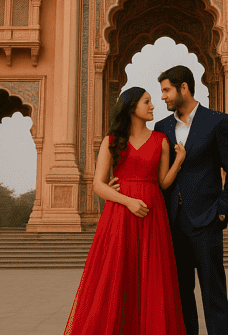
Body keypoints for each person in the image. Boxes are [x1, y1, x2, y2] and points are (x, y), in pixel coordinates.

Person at [64, 86, 188, 335]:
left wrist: (179, 161)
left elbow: (163, 182)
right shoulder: (112, 140)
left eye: (152, 101)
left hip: (152, 214)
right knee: (117, 275)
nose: (152, 106)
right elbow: (98, 184)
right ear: (132, 107)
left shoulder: (160, 141)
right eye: (147, 102)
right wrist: (127, 201)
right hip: (120, 214)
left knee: (152, 277)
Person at [154, 65, 228, 335]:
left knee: (213, 293)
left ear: (184, 88)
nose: (163, 97)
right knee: (181, 295)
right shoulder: (163, 127)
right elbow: (157, 173)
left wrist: (222, 212)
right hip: (174, 224)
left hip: (207, 221)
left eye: (166, 90)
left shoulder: (217, 121)